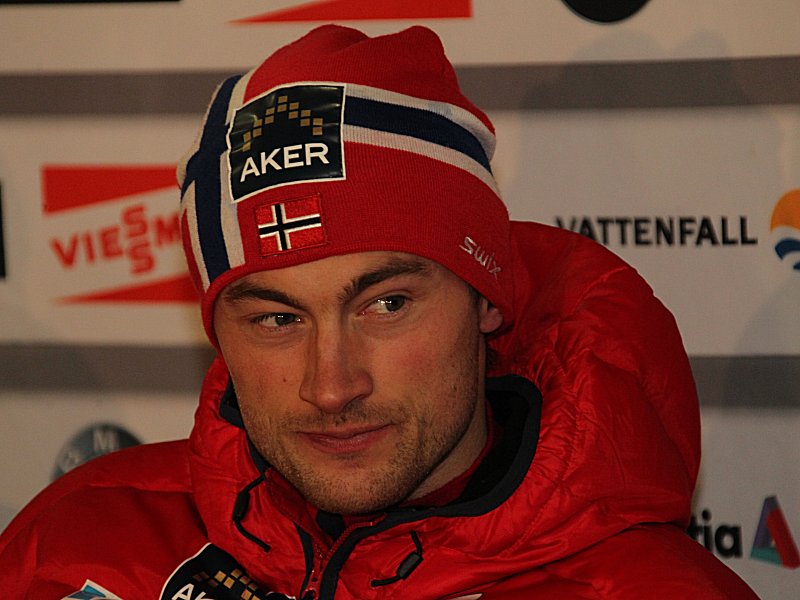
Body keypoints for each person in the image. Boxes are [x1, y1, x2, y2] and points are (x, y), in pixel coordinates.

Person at [0, 25, 759, 600]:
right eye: (277, 320)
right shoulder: (80, 540)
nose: (332, 387)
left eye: (386, 304)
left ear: (487, 297)